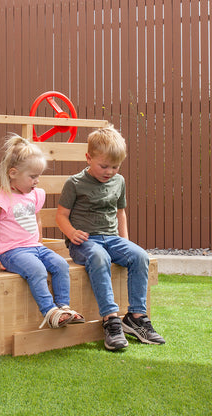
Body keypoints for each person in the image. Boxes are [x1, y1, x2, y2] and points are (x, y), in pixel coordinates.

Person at [56, 125, 165, 350]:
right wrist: (71, 233)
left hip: (113, 239)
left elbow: (120, 213)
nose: (109, 171)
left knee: (140, 256)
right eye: (104, 166)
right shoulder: (74, 183)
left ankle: (136, 317)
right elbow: (61, 216)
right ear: (88, 158)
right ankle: (110, 319)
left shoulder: (119, 181)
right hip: (85, 243)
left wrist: (126, 241)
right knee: (99, 257)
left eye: (115, 166)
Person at [0, 134, 85, 329]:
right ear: (13, 173)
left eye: (39, 176)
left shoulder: (35, 195)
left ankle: (63, 307)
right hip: (11, 252)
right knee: (36, 269)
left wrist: (40, 243)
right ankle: (49, 311)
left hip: (35, 247)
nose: (37, 181)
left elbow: (37, 220)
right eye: (33, 176)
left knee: (61, 264)